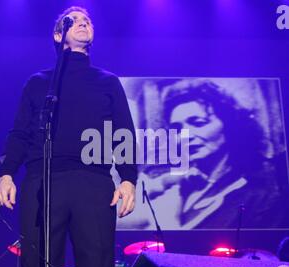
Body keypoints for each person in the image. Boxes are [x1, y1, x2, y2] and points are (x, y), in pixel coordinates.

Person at [0, 6, 137, 267]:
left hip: (93, 183)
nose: (83, 24)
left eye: (87, 21)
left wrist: (128, 179)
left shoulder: (107, 82)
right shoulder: (38, 83)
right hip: (43, 182)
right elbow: (20, 133)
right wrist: (6, 174)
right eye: (74, 21)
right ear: (58, 34)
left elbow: (123, 133)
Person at [119, 79, 288, 230]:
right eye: (177, 129)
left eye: (198, 123)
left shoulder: (261, 195)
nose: (185, 135)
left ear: (230, 126)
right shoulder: (179, 187)